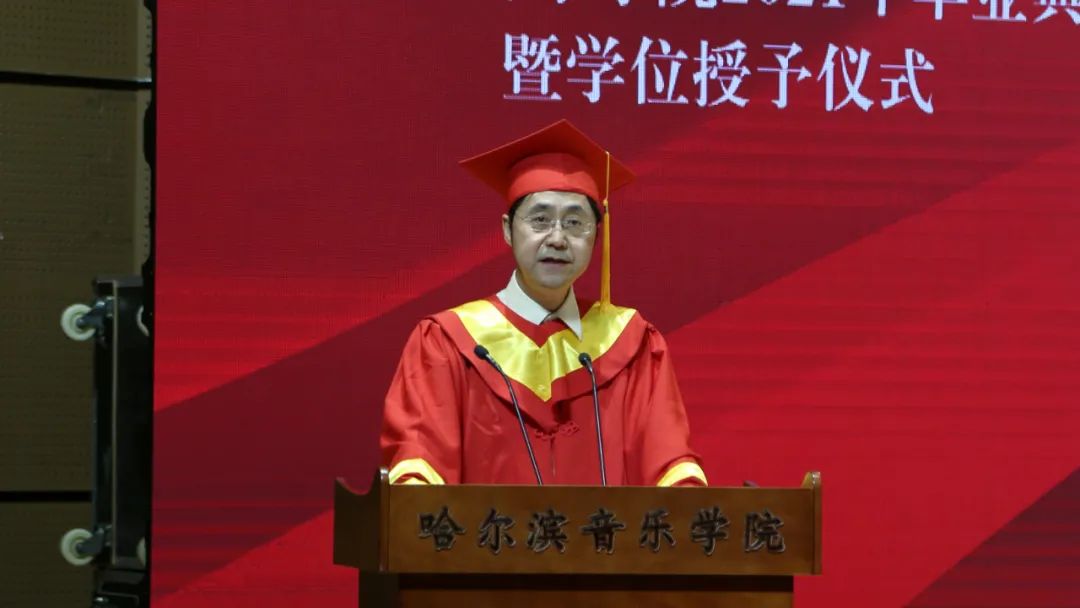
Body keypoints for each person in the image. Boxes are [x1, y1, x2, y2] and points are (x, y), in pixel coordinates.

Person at [380, 120, 706, 487]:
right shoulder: (447, 343)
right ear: (507, 229)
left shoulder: (632, 344)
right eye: (540, 220)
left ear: (596, 235)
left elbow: (669, 461)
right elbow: (420, 461)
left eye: (575, 222)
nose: (557, 238)